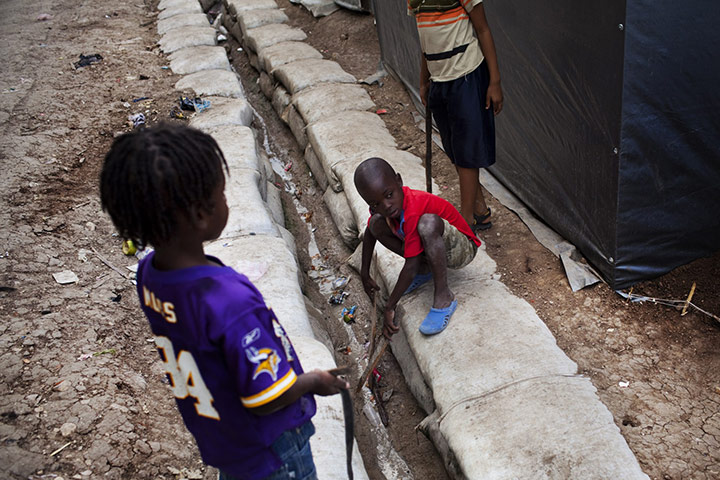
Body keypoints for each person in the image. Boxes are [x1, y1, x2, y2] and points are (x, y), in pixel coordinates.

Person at [100, 124, 347, 480]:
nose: (227, 201)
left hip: (227, 441)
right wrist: (313, 382)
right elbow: (265, 398)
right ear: (202, 215)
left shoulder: (149, 274)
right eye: (222, 195)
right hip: (274, 451)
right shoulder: (228, 302)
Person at [354, 157, 481, 337]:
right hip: (435, 248)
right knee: (376, 223)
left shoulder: (413, 207)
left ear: (399, 181)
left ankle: (444, 296)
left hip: (463, 249)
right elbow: (370, 233)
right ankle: (426, 267)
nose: (386, 205)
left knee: (427, 224)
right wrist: (364, 273)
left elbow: (410, 265)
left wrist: (390, 306)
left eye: (389, 195)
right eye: (375, 204)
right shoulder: (384, 208)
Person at [410, 0, 504, 232]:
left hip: (467, 76)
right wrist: (423, 80)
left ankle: (465, 223)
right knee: (453, 149)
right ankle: (480, 211)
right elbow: (425, 41)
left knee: (466, 152)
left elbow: (482, 29)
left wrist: (495, 81)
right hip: (439, 80)